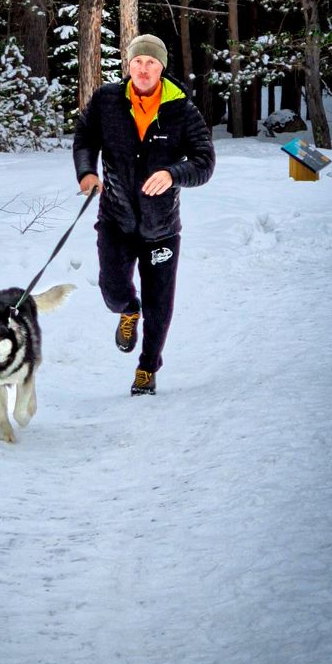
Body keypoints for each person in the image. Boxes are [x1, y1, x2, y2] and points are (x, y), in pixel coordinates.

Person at [73, 34, 215, 395]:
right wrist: (87, 171)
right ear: (129, 65)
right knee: (112, 290)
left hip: (161, 226)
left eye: (151, 62)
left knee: (160, 302)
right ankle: (127, 309)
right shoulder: (108, 100)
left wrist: (173, 174)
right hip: (116, 217)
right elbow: (85, 137)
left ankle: (148, 367)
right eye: (138, 61)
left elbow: (204, 161)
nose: (144, 68)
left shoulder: (182, 109)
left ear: (162, 67)